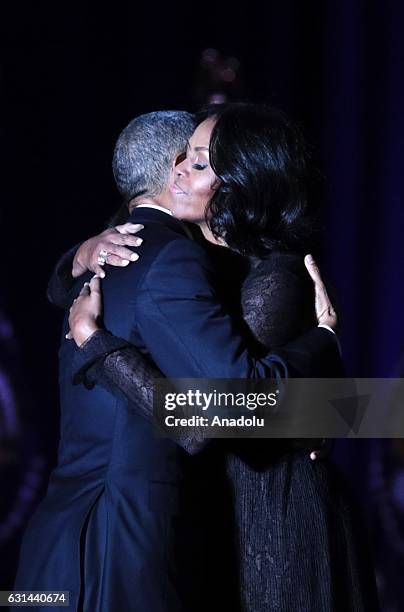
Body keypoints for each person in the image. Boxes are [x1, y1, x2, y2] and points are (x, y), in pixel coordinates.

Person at [14, 108, 340, 612]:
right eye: (185, 158)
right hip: (130, 537)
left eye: (201, 162)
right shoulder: (151, 256)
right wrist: (77, 265)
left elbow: (232, 412)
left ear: (242, 180)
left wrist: (327, 347)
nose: (183, 170)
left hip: (265, 523)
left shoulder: (271, 274)